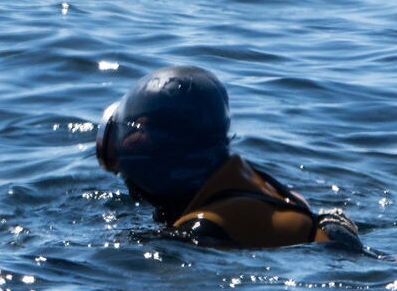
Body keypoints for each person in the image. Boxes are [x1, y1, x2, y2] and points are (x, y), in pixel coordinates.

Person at [96, 64, 362, 250]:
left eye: (142, 131)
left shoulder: (202, 231)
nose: (128, 142)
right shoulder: (250, 179)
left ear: (166, 150)